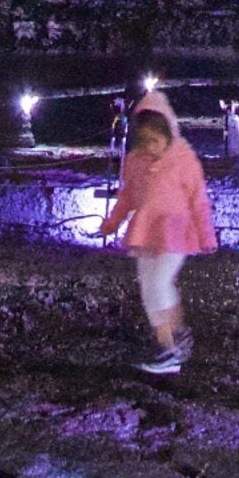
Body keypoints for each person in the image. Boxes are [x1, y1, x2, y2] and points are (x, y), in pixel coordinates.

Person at [95, 107, 216, 373]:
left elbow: (198, 200)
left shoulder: (183, 162)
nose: (151, 146)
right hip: (146, 234)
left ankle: (171, 348)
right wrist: (111, 223)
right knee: (150, 291)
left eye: (156, 140)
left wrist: (206, 234)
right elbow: (128, 197)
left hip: (175, 234)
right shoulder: (136, 162)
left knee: (160, 286)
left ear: (166, 136)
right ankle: (173, 342)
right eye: (146, 140)